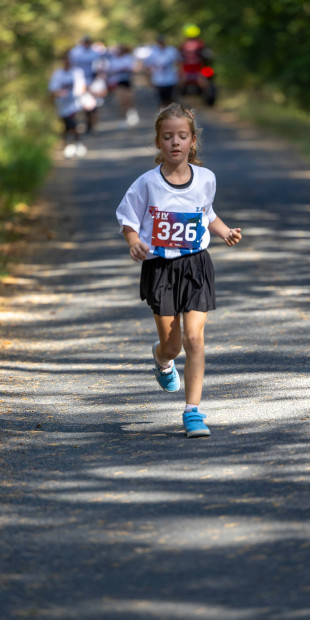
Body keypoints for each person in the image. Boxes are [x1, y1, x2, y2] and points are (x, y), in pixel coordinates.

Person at [116, 102, 242, 437]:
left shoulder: (206, 178)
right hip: (161, 267)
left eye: (182, 136)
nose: (175, 142)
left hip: (196, 264)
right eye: (168, 136)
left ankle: (193, 412)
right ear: (158, 142)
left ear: (192, 142)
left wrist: (225, 231)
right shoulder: (146, 184)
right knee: (173, 345)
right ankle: (162, 360)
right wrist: (133, 241)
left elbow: (207, 213)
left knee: (194, 338)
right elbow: (128, 218)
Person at [48, 51, 87, 158]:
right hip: (62, 105)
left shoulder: (77, 72)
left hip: (74, 104)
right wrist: (60, 93)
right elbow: (52, 90)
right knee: (66, 125)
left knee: (73, 123)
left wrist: (80, 93)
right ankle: (67, 143)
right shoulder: (58, 74)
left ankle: (77, 143)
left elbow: (82, 86)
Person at [69, 35, 108, 132]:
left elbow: (99, 67)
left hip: (92, 79)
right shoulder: (75, 52)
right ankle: (83, 123)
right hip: (79, 81)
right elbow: (72, 66)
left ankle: (93, 124)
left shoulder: (94, 53)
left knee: (93, 104)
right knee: (80, 104)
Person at [106, 45, 139, 127]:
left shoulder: (128, 58)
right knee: (120, 101)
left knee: (128, 99)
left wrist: (126, 69)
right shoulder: (113, 59)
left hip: (127, 81)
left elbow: (133, 69)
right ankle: (122, 118)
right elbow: (111, 70)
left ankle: (131, 114)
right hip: (117, 82)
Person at [144, 34, 181, 106]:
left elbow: (179, 62)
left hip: (171, 79)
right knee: (161, 99)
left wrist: (180, 74)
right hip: (158, 79)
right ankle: (163, 113)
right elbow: (147, 65)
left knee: (170, 98)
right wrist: (149, 78)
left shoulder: (172, 50)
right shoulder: (153, 51)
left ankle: (169, 112)